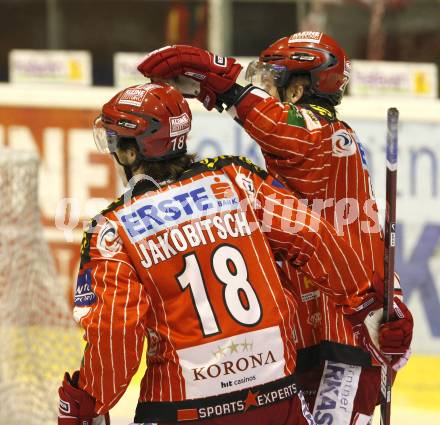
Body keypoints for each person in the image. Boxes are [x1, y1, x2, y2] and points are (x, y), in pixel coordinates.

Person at [58, 82, 396, 425]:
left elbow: (115, 336)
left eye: (114, 144)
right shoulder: (238, 178)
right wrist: (371, 306)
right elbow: (315, 238)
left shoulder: (112, 230)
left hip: (181, 411)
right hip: (277, 400)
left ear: (131, 153)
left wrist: (89, 402)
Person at [136, 32, 414, 425]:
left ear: (298, 90)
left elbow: (280, 126)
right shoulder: (308, 159)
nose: (265, 90)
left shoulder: (329, 138)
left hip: (343, 347)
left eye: (272, 81)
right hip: (310, 345)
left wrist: (224, 81)